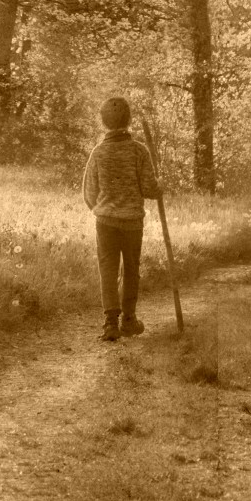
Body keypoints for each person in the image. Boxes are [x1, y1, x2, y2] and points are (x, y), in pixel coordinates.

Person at [81, 95, 161, 342]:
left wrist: (104, 208)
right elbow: (149, 189)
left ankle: (110, 324)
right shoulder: (139, 150)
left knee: (108, 269)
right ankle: (129, 320)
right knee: (131, 270)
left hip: (105, 222)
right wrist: (159, 187)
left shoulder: (98, 153)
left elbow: (89, 193)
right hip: (132, 222)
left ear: (103, 121)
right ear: (128, 119)